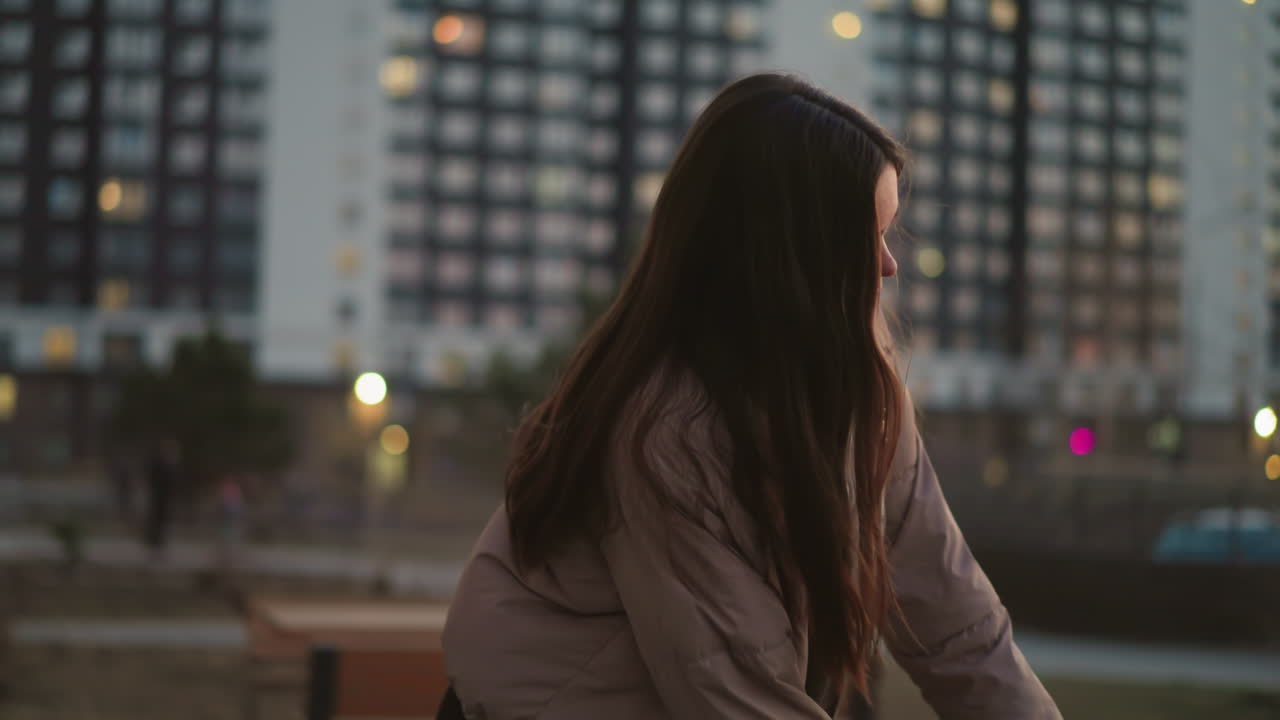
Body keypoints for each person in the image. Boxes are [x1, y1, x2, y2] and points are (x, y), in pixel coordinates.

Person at [442, 73, 1061, 719]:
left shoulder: (861, 398)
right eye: (866, 236)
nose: (889, 264)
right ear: (788, 251)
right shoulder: (666, 436)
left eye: (889, 233)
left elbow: (959, 628)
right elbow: (737, 696)